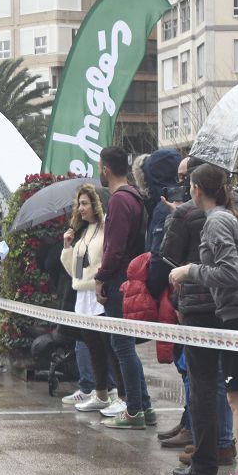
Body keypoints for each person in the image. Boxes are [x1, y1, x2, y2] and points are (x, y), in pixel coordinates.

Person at [169, 164, 238, 475]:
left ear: (197, 188)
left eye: (188, 184)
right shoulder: (228, 216)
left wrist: (189, 270)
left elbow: (229, 272)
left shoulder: (217, 221)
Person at [94, 146, 156, 429]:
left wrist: (101, 275)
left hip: (119, 280)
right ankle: (143, 405)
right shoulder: (135, 196)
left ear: (106, 168)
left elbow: (115, 247)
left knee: (122, 344)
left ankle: (133, 410)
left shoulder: (118, 200)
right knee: (126, 344)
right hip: (131, 277)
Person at [60, 184, 125, 412]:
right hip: (83, 295)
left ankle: (122, 397)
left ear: (96, 204)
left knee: (111, 348)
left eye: (85, 203)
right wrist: (68, 248)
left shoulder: (108, 226)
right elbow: (76, 272)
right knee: (94, 347)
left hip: (100, 293)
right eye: (79, 204)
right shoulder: (85, 231)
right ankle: (100, 394)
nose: (80, 208)